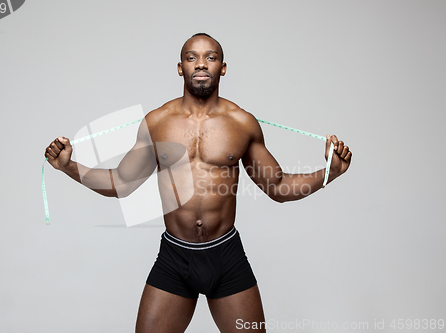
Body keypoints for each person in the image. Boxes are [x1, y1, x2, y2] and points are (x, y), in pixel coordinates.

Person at [44, 33, 352, 333]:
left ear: (223, 67)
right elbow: (121, 182)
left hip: (226, 256)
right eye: (192, 58)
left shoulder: (242, 123)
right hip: (175, 257)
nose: (201, 64)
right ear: (181, 67)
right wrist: (68, 166)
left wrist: (330, 173)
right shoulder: (157, 122)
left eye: (210, 57)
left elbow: (278, 187)